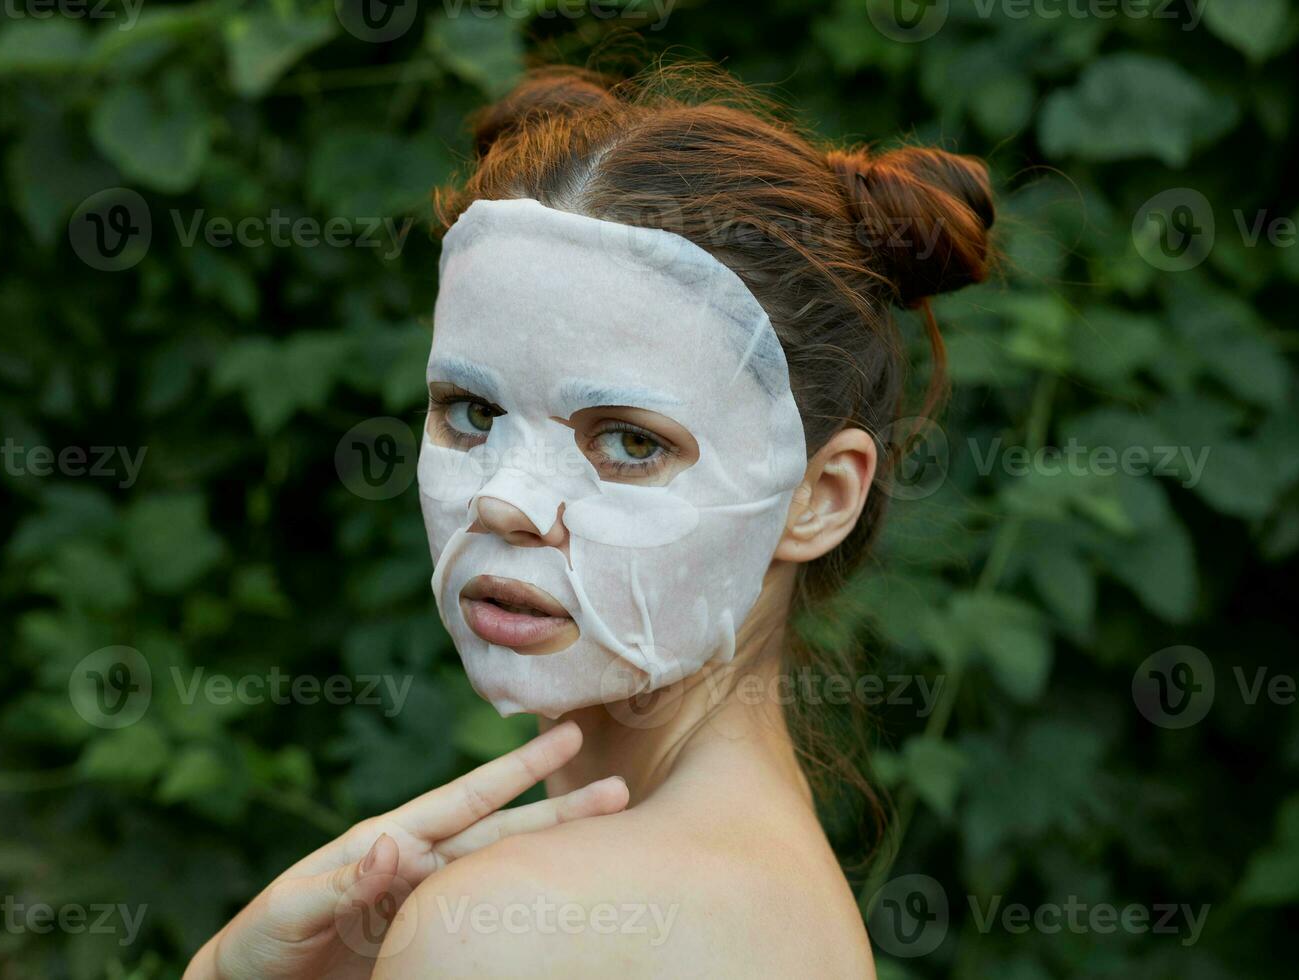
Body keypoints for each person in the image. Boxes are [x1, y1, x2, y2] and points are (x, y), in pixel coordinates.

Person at [185, 58, 992, 979]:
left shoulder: (509, 928)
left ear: (820, 497)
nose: (504, 500)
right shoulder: (779, 897)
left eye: (632, 443)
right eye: (471, 413)